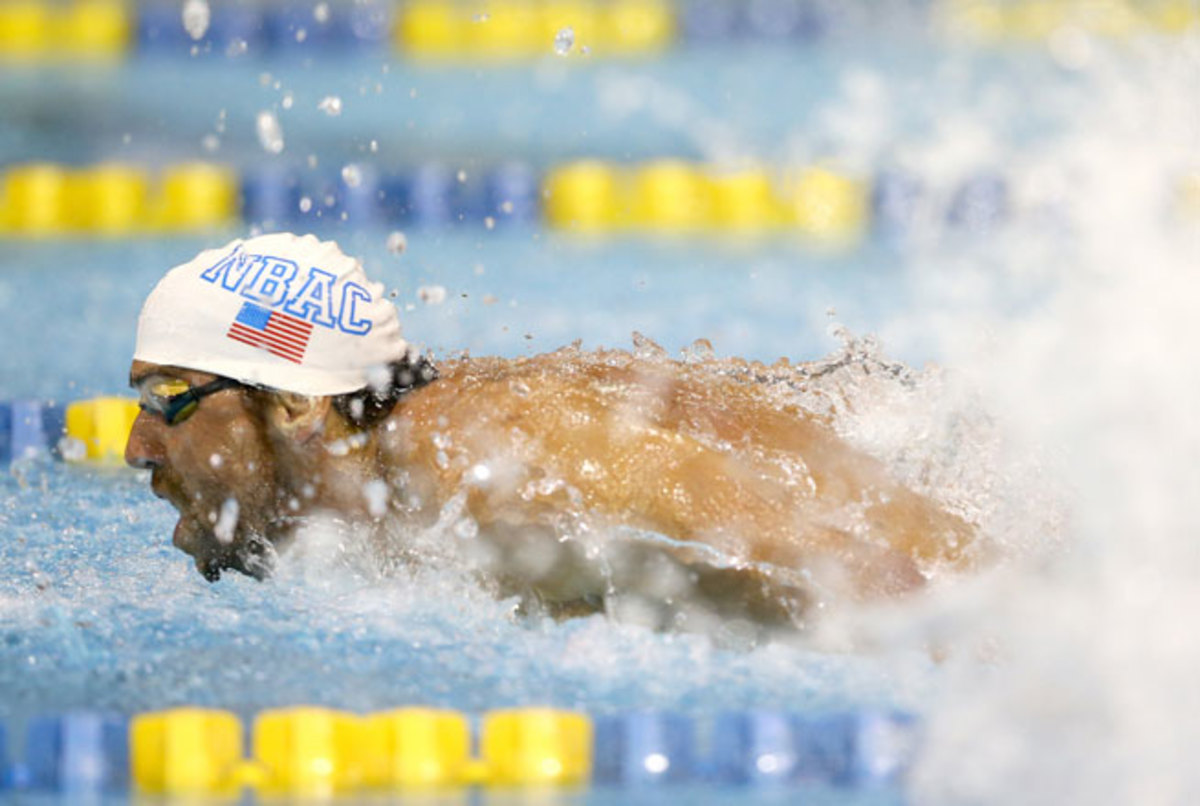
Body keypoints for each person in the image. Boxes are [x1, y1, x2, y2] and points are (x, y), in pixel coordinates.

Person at [125, 233, 981, 630]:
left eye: (168, 399)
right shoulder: (399, 482)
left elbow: (874, 567)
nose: (136, 447)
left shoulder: (480, 456)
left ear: (295, 404)